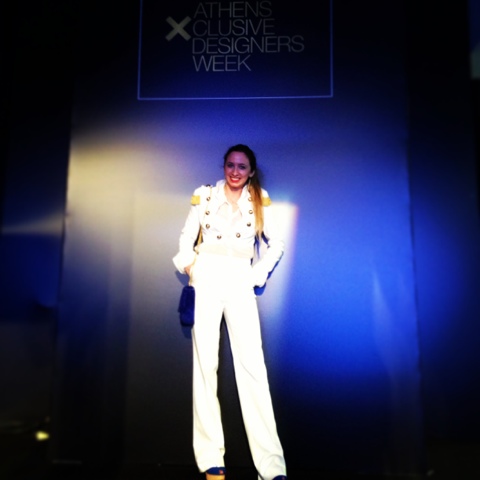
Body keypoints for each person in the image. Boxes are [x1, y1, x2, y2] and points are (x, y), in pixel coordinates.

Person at [173, 144, 287, 480]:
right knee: (205, 367)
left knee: (253, 369)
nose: (235, 172)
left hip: (240, 279)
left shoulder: (260, 199)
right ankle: (211, 460)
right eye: (230, 165)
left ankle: (271, 467)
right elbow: (185, 238)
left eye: (242, 167)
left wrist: (256, 274)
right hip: (206, 278)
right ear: (224, 166)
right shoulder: (205, 196)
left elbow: (276, 244)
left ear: (251, 171)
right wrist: (192, 267)